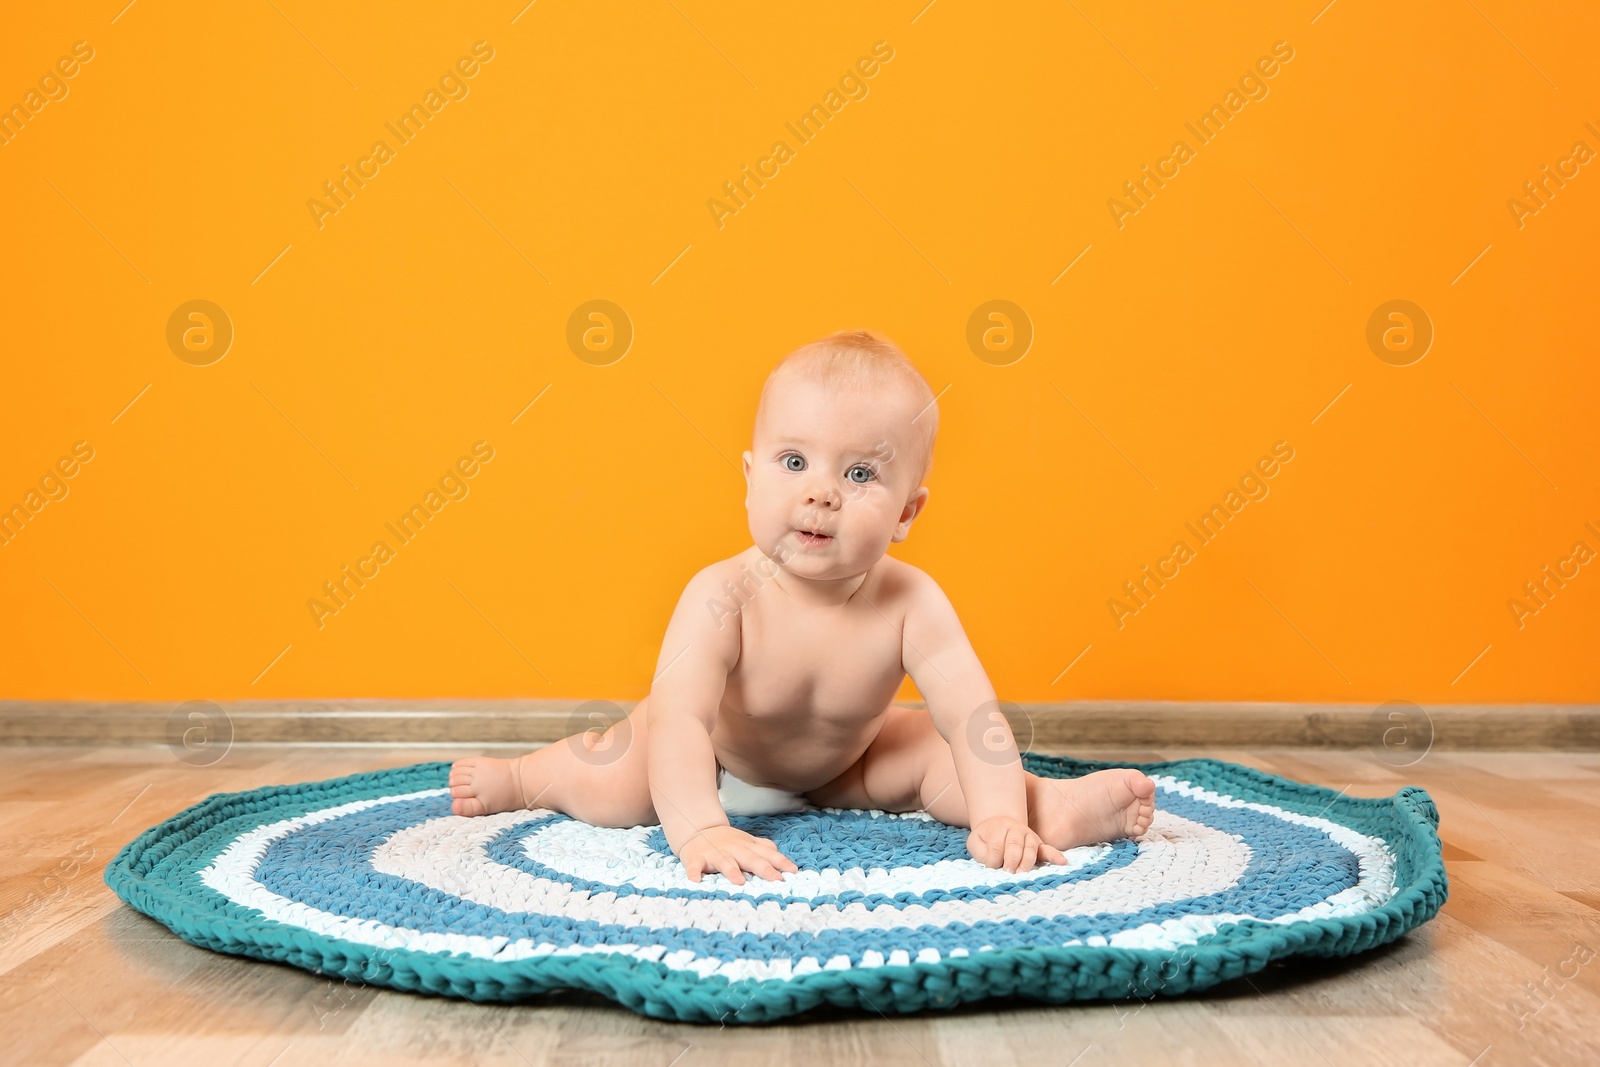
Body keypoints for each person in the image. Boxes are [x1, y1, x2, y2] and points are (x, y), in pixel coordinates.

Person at [448, 329, 1155, 883]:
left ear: (908, 510)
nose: (822, 493)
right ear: (751, 478)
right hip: (719, 756)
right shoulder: (722, 595)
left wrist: (998, 811)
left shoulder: (912, 602)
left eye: (859, 472)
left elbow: (973, 715)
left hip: (847, 763)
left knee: (936, 754)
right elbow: (683, 720)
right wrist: (699, 826)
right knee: (616, 780)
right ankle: (526, 776)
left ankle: (1038, 806)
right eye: (795, 462)